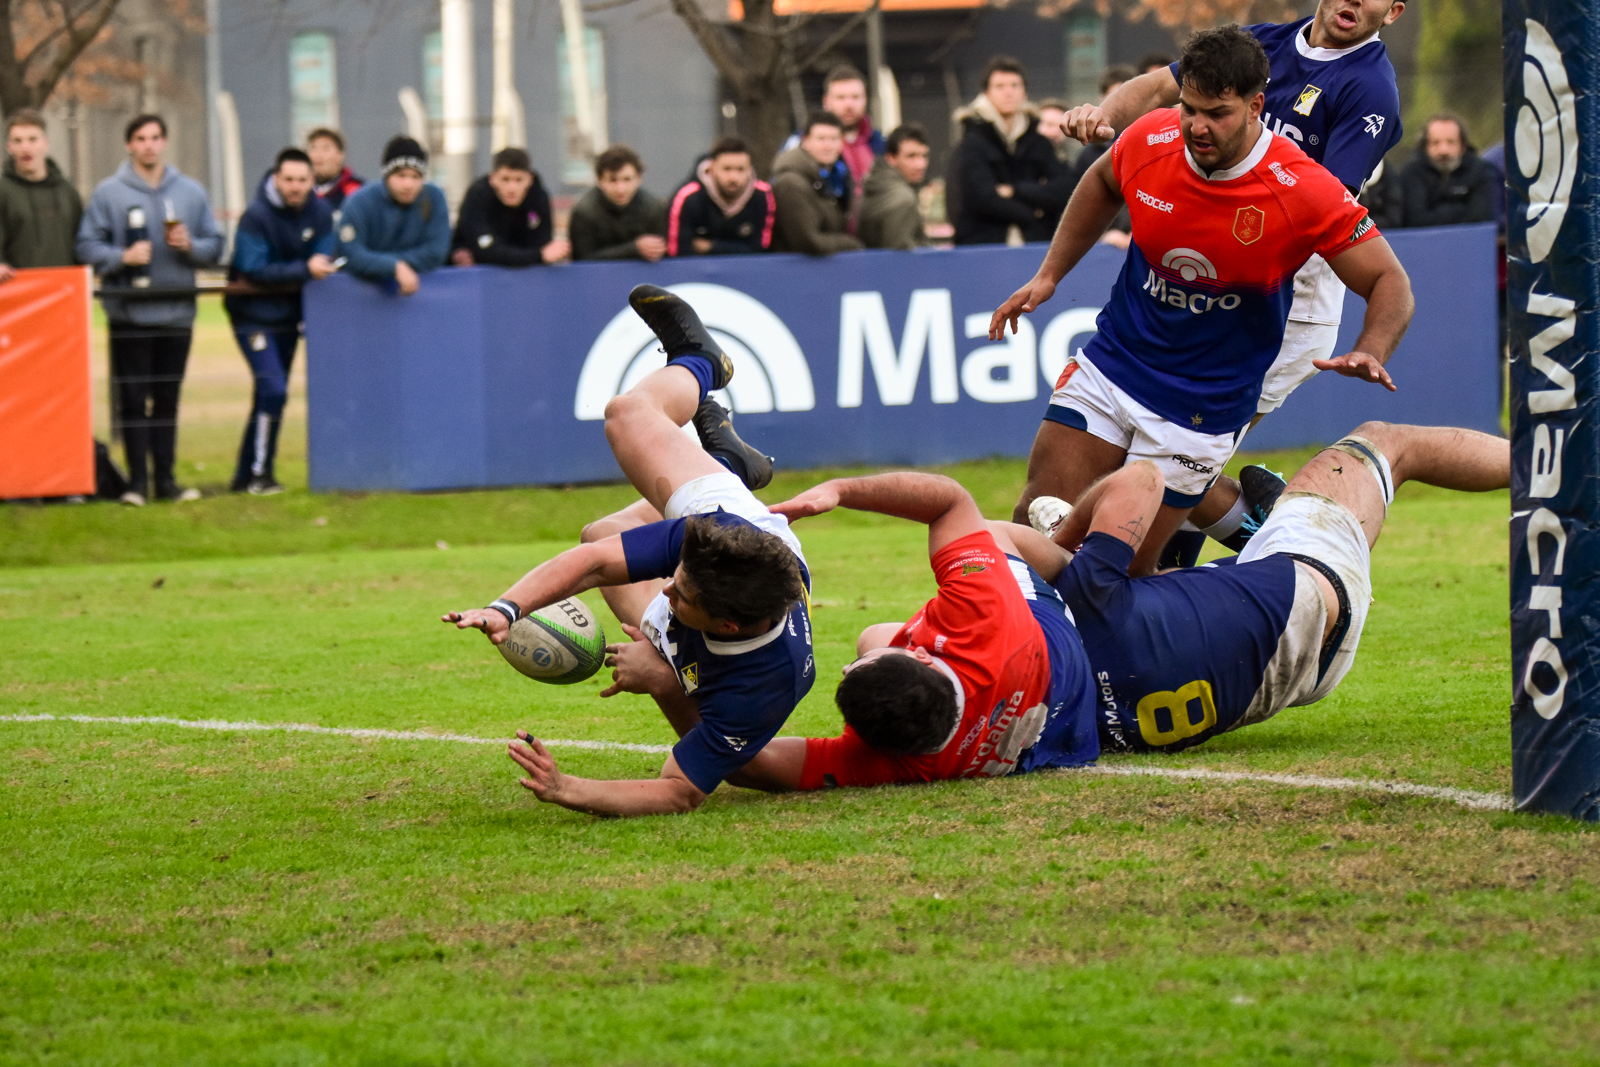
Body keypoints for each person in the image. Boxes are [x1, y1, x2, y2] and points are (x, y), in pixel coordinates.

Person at [990, 26, 1413, 576]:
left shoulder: (1301, 187)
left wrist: (1372, 346)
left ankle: (1276, 547)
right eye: (1189, 108)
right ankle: (1254, 530)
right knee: (1032, 519)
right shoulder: (1153, 137)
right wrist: (1049, 275)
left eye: (1217, 113)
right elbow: (1102, 182)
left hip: (1201, 405)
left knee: (1115, 572)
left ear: (1256, 106)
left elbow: (1389, 279)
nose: (1196, 126)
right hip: (1115, 365)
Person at [445, 286, 812, 817]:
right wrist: (505, 608)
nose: (666, 587)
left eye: (680, 594)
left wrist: (568, 787)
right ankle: (704, 364)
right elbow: (595, 567)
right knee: (626, 414)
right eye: (675, 576)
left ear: (726, 625)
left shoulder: (767, 685)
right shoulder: (709, 539)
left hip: (722, 648)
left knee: (601, 531)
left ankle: (730, 461)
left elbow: (680, 791)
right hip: (734, 519)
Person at [1017, 421, 1508, 754]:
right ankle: (1546, 469)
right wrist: (1070, 539)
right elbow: (1142, 480)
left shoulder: (1065, 721)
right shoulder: (1089, 597)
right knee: (1388, 444)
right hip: (1313, 587)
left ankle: (1261, 528)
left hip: (1282, 669)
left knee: (1188, 496)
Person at [715, 471, 1099, 792]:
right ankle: (1079, 563)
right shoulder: (984, 618)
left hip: (1062, 728)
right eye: (858, 668)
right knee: (991, 532)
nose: (846, 667)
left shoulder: (893, 761)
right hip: (1049, 648)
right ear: (922, 656)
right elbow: (950, 501)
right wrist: (839, 490)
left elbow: (747, 763)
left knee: (872, 637)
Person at [77, 113, 224, 506]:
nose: (148, 145)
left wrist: (190, 246)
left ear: (165, 142)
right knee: (132, 399)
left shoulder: (190, 192)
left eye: (155, 137)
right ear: (129, 145)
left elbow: (215, 246)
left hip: (177, 313)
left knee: (167, 399)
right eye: (140, 138)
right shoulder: (109, 193)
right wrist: (121, 257)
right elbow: (86, 246)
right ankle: (136, 484)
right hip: (130, 314)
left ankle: (167, 481)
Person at [223, 147, 336, 495]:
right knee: (274, 388)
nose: (295, 186)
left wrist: (310, 268)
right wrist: (303, 269)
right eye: (288, 179)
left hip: (289, 317)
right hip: (252, 316)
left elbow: (325, 255)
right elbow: (252, 269)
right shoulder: (255, 216)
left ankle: (245, 476)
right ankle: (260, 474)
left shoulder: (321, 213)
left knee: (269, 395)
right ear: (276, 179)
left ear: (312, 181)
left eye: (302, 180)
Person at [951, 56, 1071, 246]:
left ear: (1025, 92)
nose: (1009, 92)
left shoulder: (1038, 142)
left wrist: (1015, 190)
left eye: (1015, 85)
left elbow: (1065, 188)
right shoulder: (972, 142)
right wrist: (1034, 212)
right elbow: (982, 199)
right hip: (984, 246)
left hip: (1035, 245)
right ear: (986, 93)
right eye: (1000, 86)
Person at [334, 136, 450, 295]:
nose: (408, 184)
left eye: (416, 177)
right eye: (401, 175)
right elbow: (350, 253)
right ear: (386, 175)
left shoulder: (434, 197)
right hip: (360, 298)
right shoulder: (358, 202)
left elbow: (436, 252)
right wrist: (394, 266)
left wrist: (387, 264)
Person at [778, 65, 885, 201]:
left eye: (855, 97)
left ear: (865, 99)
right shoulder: (801, 142)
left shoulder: (880, 144)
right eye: (841, 97)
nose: (849, 104)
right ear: (826, 102)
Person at [450, 147, 569, 267]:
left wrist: (539, 254)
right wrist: (539, 256)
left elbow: (543, 243)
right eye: (505, 179)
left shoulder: (538, 197)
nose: (512, 188)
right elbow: (486, 251)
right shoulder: (478, 196)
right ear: (492, 179)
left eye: (519, 180)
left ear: (529, 179)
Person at [0, 109, 83, 280]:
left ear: (45, 143)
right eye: (17, 141)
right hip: (18, 288)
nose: (25, 147)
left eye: (32, 139)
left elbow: (82, 242)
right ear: (9, 147)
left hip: (64, 287)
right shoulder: (3, 191)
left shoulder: (67, 191)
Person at [1064, 66, 1137, 250]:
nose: (1122, 103)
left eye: (1127, 95)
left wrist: (1139, 232)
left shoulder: (1155, 145)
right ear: (1102, 100)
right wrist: (1105, 235)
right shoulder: (1088, 156)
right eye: (1114, 96)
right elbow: (1078, 207)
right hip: (1102, 246)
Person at [770, 112, 864, 256]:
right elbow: (807, 241)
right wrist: (853, 244)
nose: (828, 146)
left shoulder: (838, 175)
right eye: (821, 139)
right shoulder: (790, 183)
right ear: (806, 141)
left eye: (834, 139)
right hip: (795, 266)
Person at [665, 137, 775, 256]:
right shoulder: (688, 197)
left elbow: (761, 250)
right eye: (726, 169)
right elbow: (676, 252)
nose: (733, 177)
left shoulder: (763, 195)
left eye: (741, 169)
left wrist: (712, 247)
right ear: (712, 168)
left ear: (750, 169)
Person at [569, 144, 667, 262]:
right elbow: (582, 260)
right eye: (612, 180)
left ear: (639, 178)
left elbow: (663, 254)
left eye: (627, 179)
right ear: (599, 181)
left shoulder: (653, 208)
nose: (620, 189)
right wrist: (634, 249)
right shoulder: (584, 212)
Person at [1396, 113, 1495, 228]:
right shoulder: (1411, 173)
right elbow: (1415, 221)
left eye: (1451, 142)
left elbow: (1480, 218)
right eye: (1435, 143)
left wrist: (1437, 212)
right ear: (1425, 146)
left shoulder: (1480, 170)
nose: (1443, 150)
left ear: (1463, 146)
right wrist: (1459, 209)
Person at [857, 123, 930, 250]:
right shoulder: (902, 199)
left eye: (924, 156)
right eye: (911, 156)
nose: (920, 164)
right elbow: (900, 254)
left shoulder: (877, 184)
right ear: (891, 158)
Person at [307, 128, 363, 212]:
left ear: (340, 155)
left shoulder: (356, 191)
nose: (318, 155)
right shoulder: (298, 190)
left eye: (326, 148)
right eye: (313, 148)